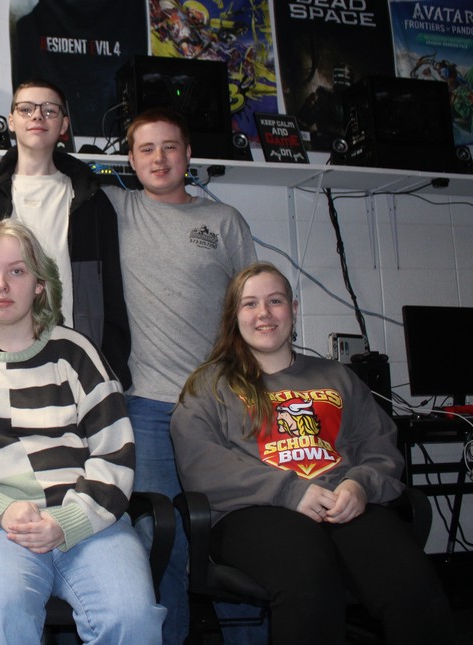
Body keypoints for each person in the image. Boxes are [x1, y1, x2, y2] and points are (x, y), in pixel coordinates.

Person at [0, 107, 256, 644]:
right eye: (146, 149)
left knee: (236, 533)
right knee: (161, 543)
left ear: (189, 154)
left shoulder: (225, 220)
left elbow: (249, 307)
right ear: (130, 161)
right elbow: (48, 169)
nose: (159, 159)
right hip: (149, 405)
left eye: (170, 147)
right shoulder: (115, 203)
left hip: (223, 404)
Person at [171, 262, 457, 645]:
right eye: (250, 304)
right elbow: (200, 465)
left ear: (293, 309)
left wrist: (360, 485)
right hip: (254, 511)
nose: (264, 313)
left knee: (411, 583)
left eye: (275, 301)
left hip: (343, 502)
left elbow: (379, 447)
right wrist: (290, 491)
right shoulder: (209, 386)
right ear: (233, 316)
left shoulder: (337, 377)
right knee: (308, 578)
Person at [0, 219, 165, 645]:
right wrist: (2, 510)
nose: (1, 285)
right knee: (3, 611)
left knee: (133, 617)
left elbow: (115, 452)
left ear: (39, 284)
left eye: (16, 271)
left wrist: (67, 520)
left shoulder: (77, 351)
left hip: (87, 519)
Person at [0, 79, 131, 391]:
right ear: (11, 121)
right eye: (26, 109)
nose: (38, 116)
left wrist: (113, 368)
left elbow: (110, 293)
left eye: (50, 110)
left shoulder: (91, 200)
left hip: (73, 361)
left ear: (64, 125)